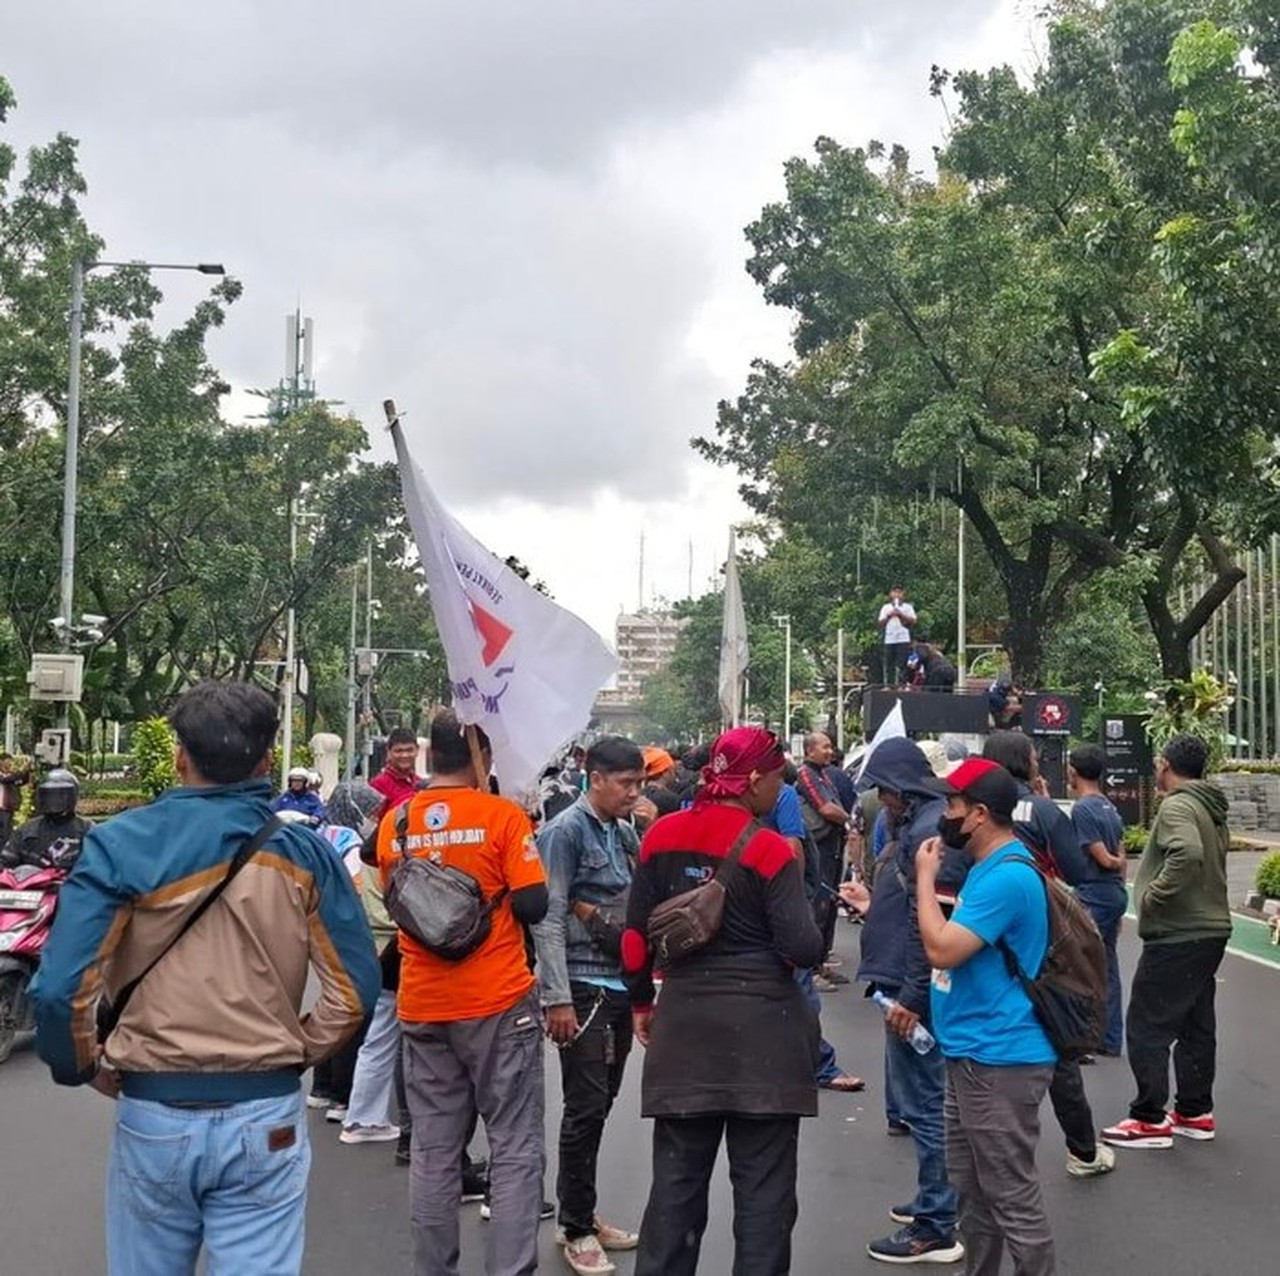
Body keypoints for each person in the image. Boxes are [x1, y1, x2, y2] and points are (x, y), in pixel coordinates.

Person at [31, 680, 380, 1276]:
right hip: (265, 1116)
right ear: (267, 760)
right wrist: (293, 1051)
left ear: (179, 755)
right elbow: (354, 991)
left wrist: (85, 1067)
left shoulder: (118, 844)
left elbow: (61, 992)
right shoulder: (302, 852)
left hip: (153, 1113)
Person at [623, 727, 822, 1276]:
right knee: (764, 1200)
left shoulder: (660, 836)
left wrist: (642, 1005)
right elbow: (802, 946)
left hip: (684, 1034)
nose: (780, 791)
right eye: (778, 779)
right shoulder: (768, 848)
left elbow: (636, 938)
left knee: (675, 1192)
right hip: (767, 1043)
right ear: (754, 779)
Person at [379, 712, 549, 1276]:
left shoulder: (396, 822)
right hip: (498, 1001)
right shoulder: (503, 817)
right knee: (515, 1146)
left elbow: (399, 901)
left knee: (433, 1151)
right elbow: (533, 906)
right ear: (483, 754)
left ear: (429, 756)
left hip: (423, 1003)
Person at [915, 758, 1057, 1276]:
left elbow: (943, 949)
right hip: (972, 1052)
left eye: (951, 804)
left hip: (1000, 1058)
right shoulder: (986, 868)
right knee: (974, 1194)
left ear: (977, 814)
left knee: (1011, 1198)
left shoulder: (1006, 876)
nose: (943, 815)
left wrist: (924, 881)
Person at [534, 736, 645, 1275]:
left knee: (601, 1106)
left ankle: (582, 1210)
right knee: (583, 1109)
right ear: (594, 777)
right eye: (625, 783)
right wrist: (556, 996)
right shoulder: (564, 831)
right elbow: (549, 916)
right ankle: (575, 1227)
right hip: (580, 988)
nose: (634, 792)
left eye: (639, 782)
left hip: (619, 986)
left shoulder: (624, 833)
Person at [981, 730, 1113, 1179]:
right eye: (1034, 756)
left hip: (976, 932)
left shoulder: (971, 807)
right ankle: (1083, 1150)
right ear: (1023, 762)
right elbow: (1077, 869)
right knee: (1057, 1039)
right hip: (1038, 937)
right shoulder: (1041, 809)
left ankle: (980, 1158)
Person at [856, 737, 965, 1264]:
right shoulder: (920, 826)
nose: (882, 799)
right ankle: (935, 1201)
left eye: (883, 789)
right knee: (928, 1105)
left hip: (911, 987)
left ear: (899, 788)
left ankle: (936, 1224)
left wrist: (913, 997)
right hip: (903, 980)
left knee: (926, 1106)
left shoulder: (928, 835)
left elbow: (932, 932)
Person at [1102, 733, 1231, 1149]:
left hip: (1177, 930)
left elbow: (1187, 854)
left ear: (1166, 765)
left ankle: (1149, 1118)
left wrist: (1155, 894)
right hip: (1210, 928)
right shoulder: (1211, 808)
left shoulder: (1177, 805)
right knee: (1196, 1022)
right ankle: (1194, 1112)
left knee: (1147, 1023)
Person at [764, 769, 863, 1093]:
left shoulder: (708, 802)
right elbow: (794, 850)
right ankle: (821, 1066)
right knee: (800, 985)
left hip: (745, 909)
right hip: (781, 902)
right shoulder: (783, 793)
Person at [1066, 744, 1127, 1057]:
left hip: (1094, 893)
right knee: (1108, 967)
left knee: (1079, 964)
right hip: (1114, 894)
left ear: (1073, 771)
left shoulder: (1083, 809)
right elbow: (1121, 853)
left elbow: (1104, 858)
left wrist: (1113, 862)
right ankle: (1110, 1037)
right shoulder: (1109, 806)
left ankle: (1082, 1039)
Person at [795, 731, 850, 968]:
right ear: (810, 751)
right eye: (824, 747)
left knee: (828, 905)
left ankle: (821, 962)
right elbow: (826, 809)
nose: (830, 751)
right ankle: (812, 968)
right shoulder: (806, 774)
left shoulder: (824, 775)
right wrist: (849, 819)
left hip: (832, 849)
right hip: (819, 850)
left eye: (831, 747)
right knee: (818, 905)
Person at [0, 768, 92, 871]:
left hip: (75, 885)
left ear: (72, 796)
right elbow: (5, 863)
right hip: (34, 885)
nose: (55, 801)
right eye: (51, 795)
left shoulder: (88, 830)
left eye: (60, 795)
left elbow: (100, 866)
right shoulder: (27, 831)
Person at [370, 726, 421, 809]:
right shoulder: (378, 786)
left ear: (417, 750)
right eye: (398, 751)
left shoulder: (419, 783)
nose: (404, 755)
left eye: (409, 750)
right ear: (389, 752)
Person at [877, 585, 917, 685]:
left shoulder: (907, 607)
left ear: (903, 594)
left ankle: (902, 684)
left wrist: (901, 614)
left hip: (903, 638)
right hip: (889, 639)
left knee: (902, 663)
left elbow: (913, 620)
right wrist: (889, 615)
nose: (897, 595)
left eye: (899, 592)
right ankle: (888, 685)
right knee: (888, 663)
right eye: (895, 592)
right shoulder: (886, 607)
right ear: (890, 594)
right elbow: (880, 623)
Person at [0, 751, 31, 848]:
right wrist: (23, 769)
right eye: (7, 761)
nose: (9, 764)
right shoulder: (4, 776)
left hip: (8, 809)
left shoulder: (11, 775)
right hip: (1, 809)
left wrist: (27, 771)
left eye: (10, 762)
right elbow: (8, 779)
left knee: (8, 834)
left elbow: (22, 781)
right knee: (4, 833)